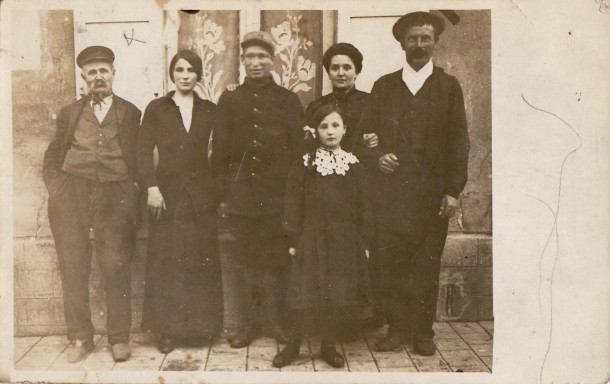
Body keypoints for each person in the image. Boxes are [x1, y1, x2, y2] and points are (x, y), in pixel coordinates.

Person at [360, 12, 470, 355]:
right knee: (391, 262)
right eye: (412, 39)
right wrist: (378, 158)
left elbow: (459, 141)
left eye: (425, 38)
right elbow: (365, 135)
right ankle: (396, 328)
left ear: (435, 41)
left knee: (426, 263)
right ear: (402, 43)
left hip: (432, 195)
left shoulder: (448, 86)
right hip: (391, 195)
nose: (419, 45)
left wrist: (453, 190)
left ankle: (423, 332)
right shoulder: (384, 86)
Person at [42, 46, 141, 363]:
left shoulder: (130, 112)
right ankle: (80, 338)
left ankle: (118, 339)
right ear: (83, 77)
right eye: (92, 72)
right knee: (74, 266)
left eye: (104, 71)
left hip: (115, 194)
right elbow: (53, 155)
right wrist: (57, 187)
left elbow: (137, 155)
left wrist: (131, 187)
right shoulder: (70, 112)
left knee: (116, 265)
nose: (98, 77)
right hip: (73, 193)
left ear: (114, 74)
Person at [212, 31, 305, 348]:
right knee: (247, 262)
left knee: (277, 261)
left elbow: (297, 155)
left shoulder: (288, 100)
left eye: (262, 57)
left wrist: (293, 201)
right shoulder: (230, 99)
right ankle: (250, 324)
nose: (255, 63)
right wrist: (223, 197)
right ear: (242, 61)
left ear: (272, 60)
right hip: (242, 200)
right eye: (249, 57)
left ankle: (276, 322)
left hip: (277, 199)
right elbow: (221, 153)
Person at [272, 104, 373, 368]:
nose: (330, 132)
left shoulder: (353, 166)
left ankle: (327, 344)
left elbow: (364, 207)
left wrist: (362, 243)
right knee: (302, 294)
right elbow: (293, 204)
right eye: (324, 126)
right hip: (310, 239)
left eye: (335, 125)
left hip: (342, 241)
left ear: (345, 129)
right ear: (315, 131)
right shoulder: (305, 164)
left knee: (333, 293)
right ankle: (293, 344)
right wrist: (293, 241)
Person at [137, 50, 223, 354]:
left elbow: (222, 154)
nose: (185, 75)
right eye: (180, 70)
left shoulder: (210, 109)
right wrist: (151, 187)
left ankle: (201, 329)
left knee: (201, 261)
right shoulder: (158, 108)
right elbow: (143, 151)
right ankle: (167, 331)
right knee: (167, 263)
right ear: (172, 74)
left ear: (199, 75)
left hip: (201, 197)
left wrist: (217, 195)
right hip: (167, 197)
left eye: (191, 70)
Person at [304, 43, 378, 152]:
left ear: (356, 72)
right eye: (335, 68)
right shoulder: (315, 106)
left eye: (347, 68)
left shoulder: (371, 102)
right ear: (329, 73)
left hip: (361, 164)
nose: (340, 73)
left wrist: (375, 138)